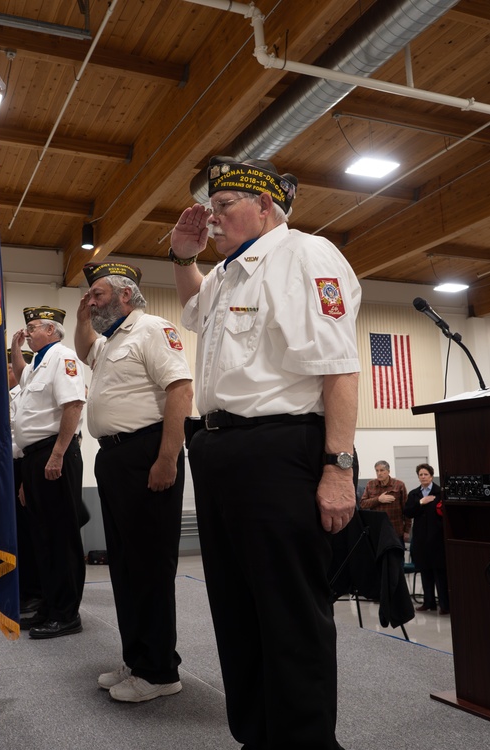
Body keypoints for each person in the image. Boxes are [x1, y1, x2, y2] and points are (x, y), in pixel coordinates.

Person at [169, 155, 360, 749]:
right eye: (212, 206)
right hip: (221, 447)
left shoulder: (305, 255)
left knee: (289, 613)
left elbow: (340, 368)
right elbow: (194, 310)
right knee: (235, 607)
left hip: (280, 449)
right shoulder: (228, 272)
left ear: (266, 207)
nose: (215, 216)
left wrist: (338, 467)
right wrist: (183, 256)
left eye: (226, 206)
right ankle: (257, 735)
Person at [74, 260, 194, 703]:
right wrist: (85, 314)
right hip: (115, 458)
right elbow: (84, 347)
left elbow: (180, 390)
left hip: (147, 454)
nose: (93, 300)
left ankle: (160, 671)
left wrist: (167, 458)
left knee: (149, 567)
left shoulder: (152, 329)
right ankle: (137, 658)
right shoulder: (110, 342)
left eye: (99, 294)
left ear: (127, 295)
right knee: (125, 567)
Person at [10, 306, 87, 639]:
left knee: (60, 538)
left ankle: (67, 614)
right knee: (41, 538)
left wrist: (56, 455)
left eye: (34, 326)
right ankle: (48, 606)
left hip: (54, 453)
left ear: (53, 330)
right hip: (34, 458)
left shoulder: (63, 357)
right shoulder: (39, 363)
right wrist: (15, 348)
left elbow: (73, 405)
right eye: (27, 326)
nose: (29, 330)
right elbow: (21, 373)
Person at [8, 349, 43, 621]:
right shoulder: (2, 396)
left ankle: (33, 593)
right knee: (17, 532)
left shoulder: (25, 394)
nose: (8, 371)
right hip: (10, 466)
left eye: (12, 366)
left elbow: (21, 434)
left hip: (22, 463)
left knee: (31, 534)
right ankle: (21, 590)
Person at [404, 464, 449, 614]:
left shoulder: (440, 493)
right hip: (421, 540)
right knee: (425, 571)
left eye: (425, 474)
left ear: (431, 476)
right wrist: (420, 503)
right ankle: (428, 602)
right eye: (420, 474)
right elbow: (408, 512)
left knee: (439, 573)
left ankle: (444, 605)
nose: (423, 476)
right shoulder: (414, 494)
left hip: (437, 539)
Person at [359, 460, 410, 543]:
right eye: (377, 470)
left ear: (388, 471)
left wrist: (407, 530)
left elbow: (406, 509)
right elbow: (363, 504)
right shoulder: (370, 484)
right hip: (377, 529)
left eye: (382, 470)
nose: (379, 473)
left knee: (396, 555)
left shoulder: (399, 485)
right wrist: (378, 499)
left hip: (395, 529)